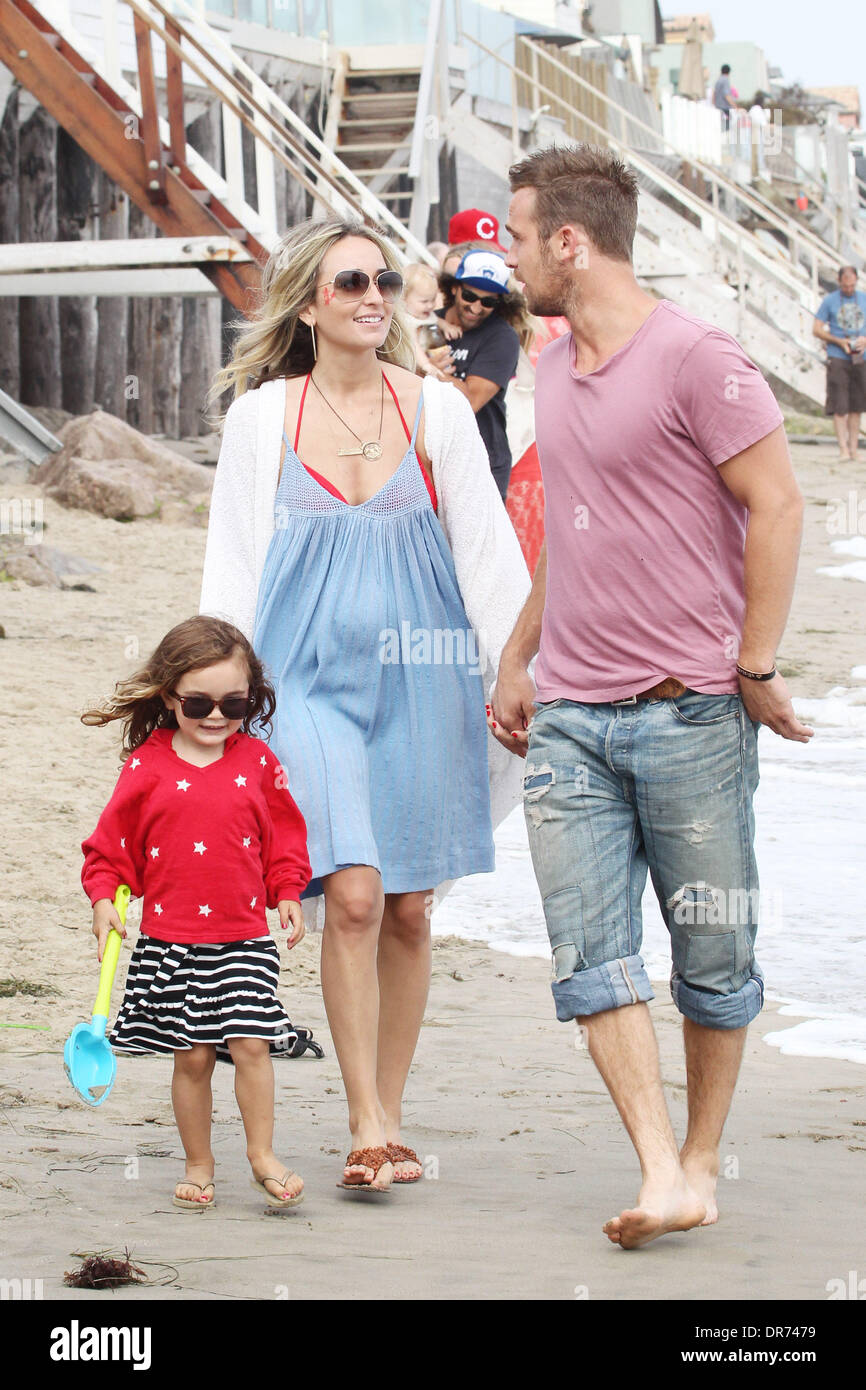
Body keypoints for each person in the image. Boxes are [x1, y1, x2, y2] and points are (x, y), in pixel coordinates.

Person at [495, 143, 813, 1249]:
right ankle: (655, 1163)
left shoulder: (697, 359)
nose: (508, 251)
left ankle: (699, 1158)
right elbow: (572, 532)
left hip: (689, 713)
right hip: (572, 720)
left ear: (567, 243)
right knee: (588, 953)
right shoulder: (547, 365)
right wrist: (515, 654)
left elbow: (775, 505)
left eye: (517, 232)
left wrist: (754, 665)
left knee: (711, 956)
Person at [200, 217, 529, 1192]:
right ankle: (365, 1121)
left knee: (408, 907)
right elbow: (231, 568)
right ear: (308, 303)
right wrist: (212, 700)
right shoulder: (264, 419)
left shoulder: (433, 411)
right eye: (349, 282)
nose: (373, 295)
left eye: (384, 278)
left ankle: (389, 1107)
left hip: (423, 681)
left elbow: (484, 552)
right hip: (300, 684)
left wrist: (515, 672)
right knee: (347, 891)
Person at [80, 616, 312, 1213]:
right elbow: (111, 847)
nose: (216, 716)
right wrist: (104, 898)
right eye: (198, 703)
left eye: (234, 703)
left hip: (243, 937)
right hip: (172, 940)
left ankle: (261, 1154)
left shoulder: (259, 762)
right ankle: (198, 1162)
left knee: (254, 1046)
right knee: (194, 1057)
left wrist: (288, 889)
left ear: (251, 698)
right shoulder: (147, 766)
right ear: (169, 696)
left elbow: (285, 836)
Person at [435, 249, 524, 499]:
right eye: (470, 295)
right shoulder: (427, 323)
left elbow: (470, 401)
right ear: (454, 288)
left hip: (481, 463)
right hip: (428, 458)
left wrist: (429, 369)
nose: (476, 307)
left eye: (488, 302)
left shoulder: (503, 337)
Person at [813, 266, 866, 460]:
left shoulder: (863, 298)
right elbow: (816, 329)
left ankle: (854, 450)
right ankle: (842, 449)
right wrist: (838, 341)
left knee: (857, 406)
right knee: (840, 405)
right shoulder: (830, 300)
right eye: (845, 285)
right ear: (839, 281)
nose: (849, 289)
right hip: (838, 356)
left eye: (852, 285)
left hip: (860, 357)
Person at [713, 63, 734, 129]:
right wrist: (735, 106)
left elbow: (714, 94)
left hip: (717, 107)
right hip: (725, 108)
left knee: (719, 127)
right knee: (726, 129)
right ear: (729, 72)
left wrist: (714, 104)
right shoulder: (725, 80)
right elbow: (727, 95)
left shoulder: (718, 81)